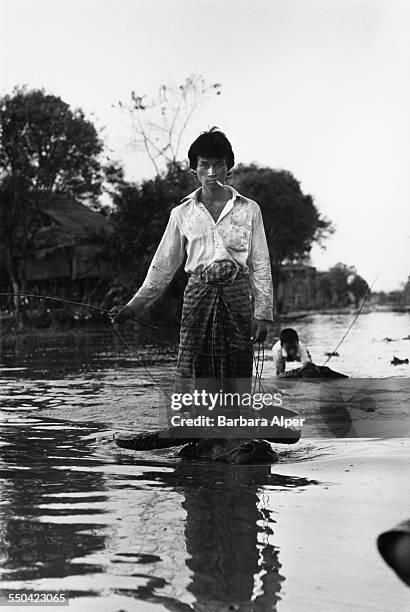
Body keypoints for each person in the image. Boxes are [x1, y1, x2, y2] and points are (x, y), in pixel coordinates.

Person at [109, 128, 274, 409]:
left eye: (218, 164)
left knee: (237, 359)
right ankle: (192, 424)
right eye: (204, 165)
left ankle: (235, 424)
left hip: (236, 294)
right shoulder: (182, 213)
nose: (212, 172)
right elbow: (162, 266)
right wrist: (133, 308)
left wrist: (263, 314)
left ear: (229, 168)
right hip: (198, 294)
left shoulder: (249, 209)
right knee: (193, 359)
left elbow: (260, 264)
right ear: (193, 169)